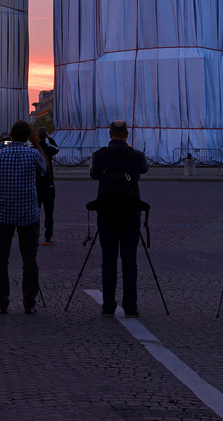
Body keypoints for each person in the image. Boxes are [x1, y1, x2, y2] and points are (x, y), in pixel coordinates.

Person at [0, 119, 47, 315]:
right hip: (28, 213)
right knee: (30, 260)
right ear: (27, 136)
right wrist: (36, 142)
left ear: (10, 135)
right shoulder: (33, 154)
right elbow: (45, 168)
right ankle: (30, 302)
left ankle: (2, 302)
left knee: (1, 259)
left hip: (4, 213)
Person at [90, 119, 149, 318]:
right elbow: (144, 169)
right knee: (129, 260)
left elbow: (93, 174)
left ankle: (108, 305)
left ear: (109, 133)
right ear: (127, 134)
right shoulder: (134, 155)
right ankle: (130, 306)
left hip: (106, 213)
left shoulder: (100, 155)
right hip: (130, 213)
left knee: (108, 261)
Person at [37, 126, 59, 244]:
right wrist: (50, 138)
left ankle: (36, 236)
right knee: (49, 213)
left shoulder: (34, 148)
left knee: (36, 212)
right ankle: (48, 237)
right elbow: (57, 148)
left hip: (37, 184)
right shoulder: (49, 148)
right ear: (46, 136)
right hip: (49, 185)